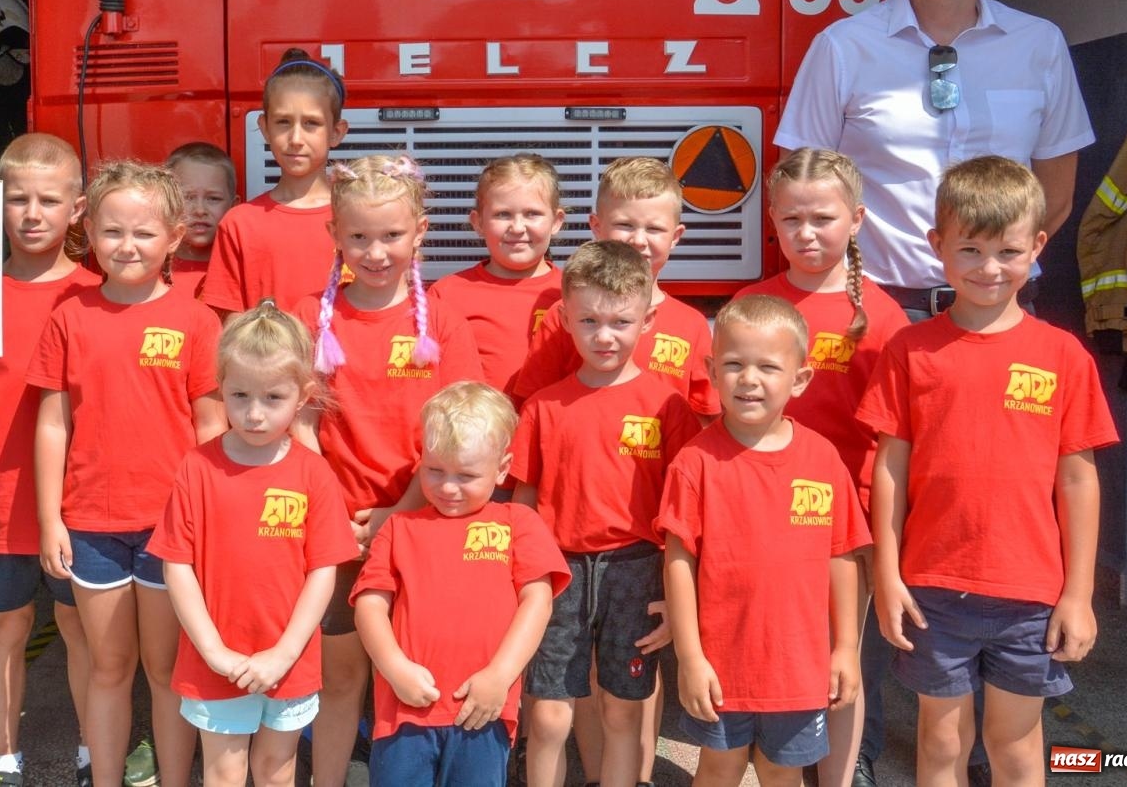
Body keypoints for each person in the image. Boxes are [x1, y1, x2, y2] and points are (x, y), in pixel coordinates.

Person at [858, 156, 1118, 787]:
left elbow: (1078, 480)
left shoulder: (1062, 356)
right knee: (941, 741)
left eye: (1006, 250)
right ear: (937, 246)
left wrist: (1078, 595)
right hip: (934, 589)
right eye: (970, 249)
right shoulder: (910, 351)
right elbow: (889, 468)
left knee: (1015, 743)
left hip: (1029, 591)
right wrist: (887, 576)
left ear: (1037, 246)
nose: (989, 267)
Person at [775, 0, 1095, 323]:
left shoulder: (1039, 44)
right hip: (876, 313)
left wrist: (990, 274)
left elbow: (1057, 196)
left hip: (1001, 311)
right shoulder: (841, 49)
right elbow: (798, 187)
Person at [30, 161, 227, 787]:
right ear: (91, 234)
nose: (127, 246)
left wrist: (214, 521)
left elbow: (211, 430)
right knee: (109, 669)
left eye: (144, 233)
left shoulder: (197, 322)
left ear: (174, 237)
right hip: (89, 524)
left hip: (173, 528)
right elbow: (52, 424)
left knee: (166, 671)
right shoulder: (69, 316)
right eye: (113, 231)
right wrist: (48, 520)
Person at [292, 153, 485, 787]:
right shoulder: (309, 317)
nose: (376, 252)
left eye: (392, 236)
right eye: (359, 237)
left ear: (420, 232)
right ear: (334, 235)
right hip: (338, 532)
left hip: (428, 524)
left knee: (417, 672)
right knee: (343, 674)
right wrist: (334, 519)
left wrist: (400, 512)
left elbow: (458, 431)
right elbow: (299, 425)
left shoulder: (444, 320)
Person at [739, 148, 909, 787]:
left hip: (846, 518)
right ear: (773, 223)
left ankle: (845, 768)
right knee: (775, 639)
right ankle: (779, 755)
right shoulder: (754, 303)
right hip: (760, 509)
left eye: (823, 218)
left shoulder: (883, 318)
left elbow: (895, 437)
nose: (806, 234)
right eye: (791, 220)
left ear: (857, 218)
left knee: (846, 650)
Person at [511, 240, 701, 787]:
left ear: (648, 320)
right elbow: (524, 504)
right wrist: (520, 579)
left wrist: (677, 593)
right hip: (558, 571)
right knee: (548, 716)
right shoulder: (543, 406)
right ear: (564, 318)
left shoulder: (670, 407)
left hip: (637, 571)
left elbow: (682, 516)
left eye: (620, 321)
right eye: (589, 320)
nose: (604, 335)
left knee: (623, 711)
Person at [658, 295, 868, 787]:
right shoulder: (695, 462)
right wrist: (690, 659)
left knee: (782, 771)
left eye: (768, 367)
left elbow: (842, 556)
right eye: (734, 364)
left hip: (798, 666)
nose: (749, 379)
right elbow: (678, 562)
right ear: (711, 370)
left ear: (800, 378)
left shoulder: (822, 458)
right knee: (719, 768)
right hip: (722, 665)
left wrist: (846, 650)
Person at [0, 132, 97, 787]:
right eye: (18, 199)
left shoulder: (95, 292)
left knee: (78, 625)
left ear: (78, 209)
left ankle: (96, 746)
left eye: (48, 200)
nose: (32, 214)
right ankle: (4, 758)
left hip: (77, 502)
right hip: (1, 501)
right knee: (6, 624)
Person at [151, 302, 359, 787]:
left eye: (272, 397)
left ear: (303, 395)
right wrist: (214, 651)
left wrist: (284, 654)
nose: (254, 413)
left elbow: (322, 572)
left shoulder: (314, 473)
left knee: (276, 769)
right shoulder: (196, 468)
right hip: (215, 659)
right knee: (223, 772)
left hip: (288, 661)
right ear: (219, 384)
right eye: (240, 394)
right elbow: (176, 566)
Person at [352, 382, 570, 785]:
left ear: (502, 468)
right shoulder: (398, 528)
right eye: (435, 470)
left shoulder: (517, 523)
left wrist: (499, 677)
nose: (448, 487)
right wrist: (394, 667)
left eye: (467, 475)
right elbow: (369, 604)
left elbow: (538, 600)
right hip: (405, 710)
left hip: (483, 710)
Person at [512, 157, 718, 418]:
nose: (638, 240)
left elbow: (705, 418)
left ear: (675, 237)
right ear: (596, 226)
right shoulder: (565, 314)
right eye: (625, 225)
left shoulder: (692, 325)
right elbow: (533, 406)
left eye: (654, 228)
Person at [203, 50, 348, 317]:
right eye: (283, 122)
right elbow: (230, 326)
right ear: (265, 127)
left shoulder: (358, 216)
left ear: (336, 132)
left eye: (311, 123)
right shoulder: (239, 224)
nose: (295, 138)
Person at [429, 153, 566, 395]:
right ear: (478, 222)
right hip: (473, 430)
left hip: (550, 430)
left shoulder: (572, 292)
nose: (517, 227)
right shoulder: (447, 293)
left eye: (532, 213)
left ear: (556, 221)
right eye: (503, 214)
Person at [167, 140, 238, 300]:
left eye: (213, 198)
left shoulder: (240, 271)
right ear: (166, 202)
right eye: (188, 197)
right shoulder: (148, 270)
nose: (200, 210)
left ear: (234, 206)